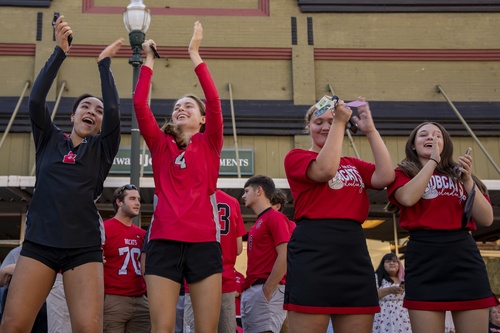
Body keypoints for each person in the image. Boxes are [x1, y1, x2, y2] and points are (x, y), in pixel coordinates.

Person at [0, 15, 123, 333]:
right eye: (85, 107)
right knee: (13, 325)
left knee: (87, 328)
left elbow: (112, 111)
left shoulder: (102, 149)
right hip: (40, 243)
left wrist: (104, 66)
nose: (92, 112)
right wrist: (59, 51)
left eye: (96, 111)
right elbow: (36, 100)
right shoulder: (49, 139)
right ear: (72, 115)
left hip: (83, 247)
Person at [133, 21, 223, 333]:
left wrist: (194, 53)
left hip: (203, 244)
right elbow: (139, 105)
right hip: (163, 242)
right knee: (162, 328)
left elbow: (214, 100)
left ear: (202, 118)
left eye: (188, 106)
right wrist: (148, 61)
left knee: (206, 329)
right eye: (176, 107)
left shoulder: (209, 142)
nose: (181, 108)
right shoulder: (160, 144)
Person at [283, 97, 394, 333]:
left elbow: (385, 177)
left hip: (352, 249)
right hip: (313, 249)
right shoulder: (297, 157)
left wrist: (371, 131)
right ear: (308, 127)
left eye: (330, 121)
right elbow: (325, 170)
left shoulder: (352, 163)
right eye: (318, 122)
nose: (325, 126)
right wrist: (339, 124)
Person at [387, 121, 499, 333]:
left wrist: (467, 181)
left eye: (437, 135)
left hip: (463, 255)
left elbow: (486, 219)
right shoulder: (403, 173)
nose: (431, 138)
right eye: (424, 135)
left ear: (446, 144)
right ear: (412, 144)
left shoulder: (462, 175)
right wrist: (432, 162)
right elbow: (408, 198)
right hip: (424, 256)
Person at [183, 190, 247, 333]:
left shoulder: (189, 197)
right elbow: (238, 248)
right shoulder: (232, 201)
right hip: (225, 277)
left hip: (196, 277)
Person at [240, 175, 295, 333]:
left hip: (265, 289)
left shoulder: (275, 217)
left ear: (259, 191)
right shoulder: (259, 222)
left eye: (246, 191)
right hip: (254, 289)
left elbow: (285, 254)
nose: (243, 196)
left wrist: (268, 289)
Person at [102, 184, 150, 332]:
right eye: (132, 199)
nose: (137, 203)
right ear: (119, 202)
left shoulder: (142, 234)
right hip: (113, 299)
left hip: (141, 300)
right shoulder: (104, 229)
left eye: (139, 200)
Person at [0, 246, 47, 333]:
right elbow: (1, 280)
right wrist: (8, 270)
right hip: (17, 300)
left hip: (43, 304)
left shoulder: (50, 253)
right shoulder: (15, 253)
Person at [372, 253, 411, 333]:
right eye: (388, 261)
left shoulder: (404, 279)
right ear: (383, 265)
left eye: (395, 261)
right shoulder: (377, 277)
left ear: (399, 264)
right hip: (383, 315)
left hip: (403, 315)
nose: (392, 263)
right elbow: (372, 296)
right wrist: (389, 290)